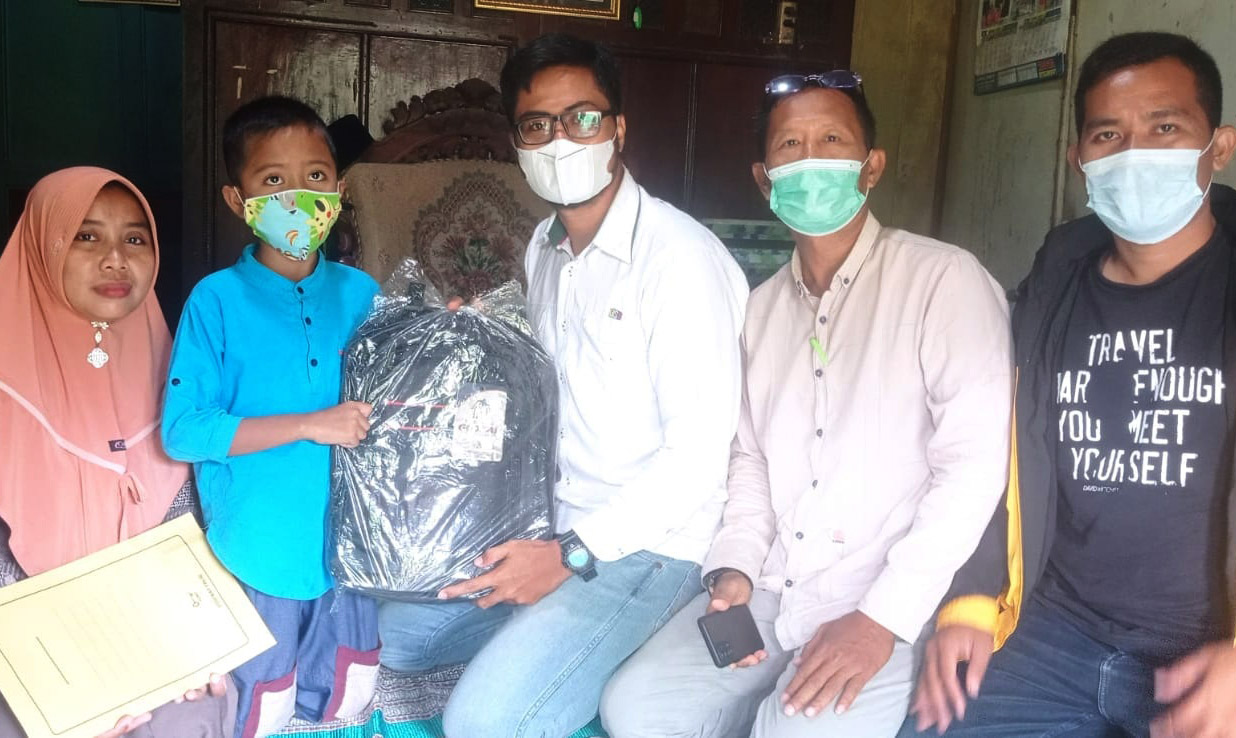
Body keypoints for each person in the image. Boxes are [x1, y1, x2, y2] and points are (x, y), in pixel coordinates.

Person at [602, 71, 1013, 738]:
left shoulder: (944, 281)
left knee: (791, 730)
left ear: (871, 167)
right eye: (790, 146)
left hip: (886, 600)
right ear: (765, 180)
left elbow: (973, 468)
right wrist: (735, 570)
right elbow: (749, 462)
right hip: (774, 592)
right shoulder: (761, 311)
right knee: (638, 708)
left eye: (832, 141)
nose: (811, 159)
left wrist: (880, 620)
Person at [375, 33, 749, 737]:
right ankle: (560, 643)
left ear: (618, 130)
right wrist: (470, 339)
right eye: (537, 125)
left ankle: (602, 639)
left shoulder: (679, 261)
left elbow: (698, 461)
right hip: (548, 521)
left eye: (582, 118)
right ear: (517, 142)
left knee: (482, 724)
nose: (560, 141)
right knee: (395, 637)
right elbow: (539, 387)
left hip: (649, 546)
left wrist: (568, 558)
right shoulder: (543, 246)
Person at [900, 32, 1236, 738]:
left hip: (1209, 652)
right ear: (1077, 157)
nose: (1134, 153)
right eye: (1108, 134)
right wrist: (972, 599)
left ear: (1220, 146)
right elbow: (1002, 450)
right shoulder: (1055, 285)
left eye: (1165, 128)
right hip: (1054, 631)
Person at [162, 96, 381, 738]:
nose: (297, 197)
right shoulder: (216, 301)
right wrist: (311, 423)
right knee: (258, 705)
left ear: (339, 190)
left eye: (315, 176)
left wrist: (446, 338)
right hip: (258, 548)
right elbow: (183, 431)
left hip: (350, 550)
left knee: (342, 699)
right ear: (238, 200)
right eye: (273, 180)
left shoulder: (363, 293)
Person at [0, 167, 234, 737]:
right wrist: (71, 680)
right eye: (87, 236)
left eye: (135, 238)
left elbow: (194, 530)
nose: (115, 259)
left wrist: (198, 644)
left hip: (157, 652)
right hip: (30, 665)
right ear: (42, 247)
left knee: (197, 712)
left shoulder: (180, 377)